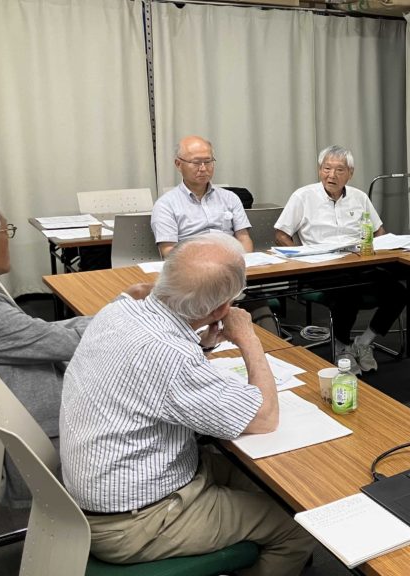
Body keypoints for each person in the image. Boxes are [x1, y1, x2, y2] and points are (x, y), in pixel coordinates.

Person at [59, 234, 313, 574]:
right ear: (221, 309)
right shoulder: (172, 357)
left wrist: (201, 344)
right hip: (134, 522)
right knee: (299, 527)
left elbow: (156, 374)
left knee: (277, 489)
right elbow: (264, 417)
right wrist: (248, 337)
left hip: (111, 487)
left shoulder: (119, 310)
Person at [0, 190, 142, 506]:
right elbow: (54, 341)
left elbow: (35, 334)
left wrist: (115, 308)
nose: (8, 239)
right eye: (6, 231)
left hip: (33, 411)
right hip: (45, 436)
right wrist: (122, 308)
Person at [274, 144, 407, 374]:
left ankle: (363, 343)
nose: (331, 175)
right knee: (348, 292)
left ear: (350, 173)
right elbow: (281, 233)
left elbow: (379, 231)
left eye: (339, 170)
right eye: (326, 168)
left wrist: (376, 250)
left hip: (357, 264)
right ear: (319, 170)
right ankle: (342, 347)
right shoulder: (303, 196)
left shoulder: (359, 197)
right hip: (320, 268)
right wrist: (301, 258)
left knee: (399, 291)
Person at [151, 135, 253, 258]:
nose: (203, 168)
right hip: (191, 263)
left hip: (231, 261)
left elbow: (243, 238)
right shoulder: (165, 205)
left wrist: (246, 263)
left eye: (208, 161)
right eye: (196, 162)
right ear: (178, 164)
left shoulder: (230, 198)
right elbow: (168, 250)